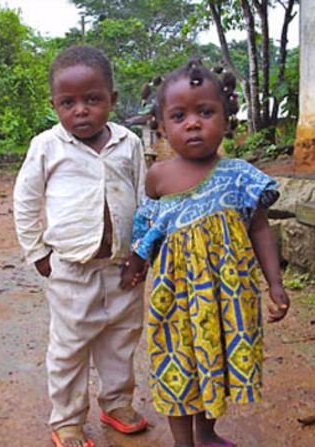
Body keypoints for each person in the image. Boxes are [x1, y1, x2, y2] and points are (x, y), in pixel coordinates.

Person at [122, 59, 290, 447]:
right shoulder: (159, 177)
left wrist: (276, 283)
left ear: (227, 120)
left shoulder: (241, 176)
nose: (193, 123)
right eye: (179, 116)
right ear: (163, 127)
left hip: (226, 298)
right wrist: (136, 264)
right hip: (176, 297)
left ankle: (208, 433)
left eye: (206, 112)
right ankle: (184, 443)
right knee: (178, 365)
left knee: (216, 361)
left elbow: (260, 228)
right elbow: (147, 225)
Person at [13, 45, 148, 447]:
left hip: (123, 269)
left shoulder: (129, 143)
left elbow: (142, 199)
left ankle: (116, 402)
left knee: (121, 341)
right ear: (54, 104)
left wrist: (140, 253)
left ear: (113, 99)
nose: (81, 111)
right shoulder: (47, 146)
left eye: (93, 99)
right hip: (70, 269)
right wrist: (38, 253)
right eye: (68, 102)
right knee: (69, 348)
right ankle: (68, 419)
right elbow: (25, 201)